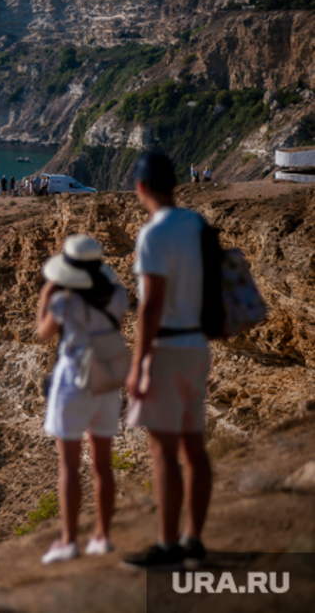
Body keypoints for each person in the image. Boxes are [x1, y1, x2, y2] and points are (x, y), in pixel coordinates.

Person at [122, 152, 213, 570]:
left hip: (167, 349)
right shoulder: (196, 225)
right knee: (195, 448)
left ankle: (167, 546)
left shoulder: (153, 234)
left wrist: (140, 364)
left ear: (141, 188)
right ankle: (194, 539)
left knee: (163, 453)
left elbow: (150, 305)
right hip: (197, 344)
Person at [36, 235, 128, 564]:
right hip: (105, 380)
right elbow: (115, 327)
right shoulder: (117, 294)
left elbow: (44, 332)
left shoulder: (64, 300)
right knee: (103, 465)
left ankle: (69, 540)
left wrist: (47, 293)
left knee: (70, 466)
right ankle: (102, 536)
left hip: (73, 382)